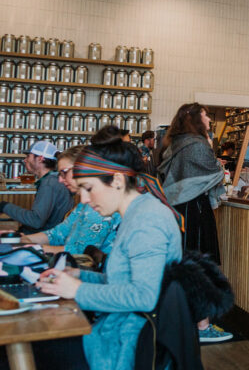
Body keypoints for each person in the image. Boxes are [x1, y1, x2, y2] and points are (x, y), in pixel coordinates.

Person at [25, 134, 183, 370]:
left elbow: (144, 296)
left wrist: (77, 289)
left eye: (89, 189)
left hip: (122, 346)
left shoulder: (148, 221)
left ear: (117, 180)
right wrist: (80, 276)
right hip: (115, 331)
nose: (85, 199)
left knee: (26, 348)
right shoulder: (137, 213)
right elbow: (121, 281)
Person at [158, 102, 232, 343]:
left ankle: (187, 320)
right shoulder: (197, 145)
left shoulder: (175, 143)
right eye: (206, 116)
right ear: (196, 119)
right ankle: (202, 326)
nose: (209, 120)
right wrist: (217, 161)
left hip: (177, 209)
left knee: (183, 263)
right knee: (199, 263)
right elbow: (213, 173)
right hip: (195, 209)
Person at [15, 145, 120, 255]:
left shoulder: (100, 207)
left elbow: (79, 251)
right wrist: (25, 240)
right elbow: (57, 234)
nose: (60, 179)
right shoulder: (84, 205)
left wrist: (29, 247)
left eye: (64, 172)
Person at [0, 141, 73, 234]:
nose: (25, 160)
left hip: (44, 239)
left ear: (40, 159)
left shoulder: (49, 183)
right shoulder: (53, 180)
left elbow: (36, 221)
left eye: (28, 156)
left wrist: (4, 206)